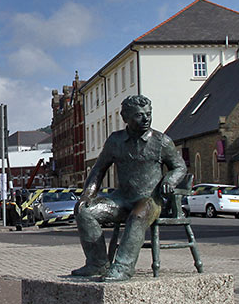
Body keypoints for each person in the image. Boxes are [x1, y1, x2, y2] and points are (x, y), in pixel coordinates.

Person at [71, 95, 186, 282]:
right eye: (140, 115)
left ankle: (123, 267)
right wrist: (87, 195)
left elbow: (179, 166)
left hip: (149, 200)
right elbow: (98, 170)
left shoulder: (161, 141)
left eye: (149, 114)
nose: (146, 118)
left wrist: (170, 181)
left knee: (138, 215)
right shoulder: (115, 141)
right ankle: (97, 263)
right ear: (126, 117)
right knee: (84, 211)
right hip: (121, 199)